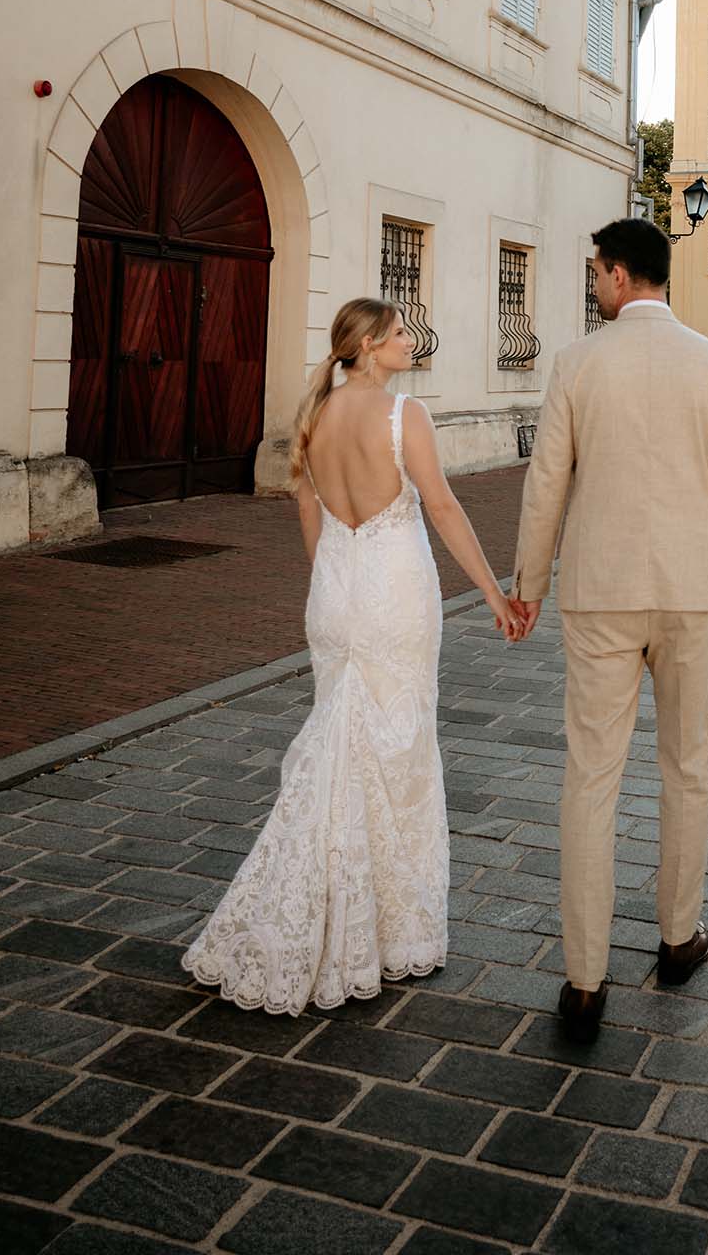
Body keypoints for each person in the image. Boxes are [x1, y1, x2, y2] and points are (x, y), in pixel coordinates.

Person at [183, 297, 520, 1014]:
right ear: (367, 345)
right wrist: (494, 593)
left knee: (344, 745)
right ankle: (386, 930)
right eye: (399, 334)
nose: (410, 342)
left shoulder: (314, 414)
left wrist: (334, 583)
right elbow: (445, 509)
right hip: (395, 594)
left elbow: (308, 514)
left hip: (333, 596)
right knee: (393, 756)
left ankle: (339, 917)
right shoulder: (405, 416)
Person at [511, 218, 708, 1042]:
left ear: (619, 276)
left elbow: (547, 482)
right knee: (688, 765)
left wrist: (529, 585)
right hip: (691, 588)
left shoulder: (577, 362)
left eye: (594, 271)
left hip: (600, 590)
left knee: (590, 775)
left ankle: (584, 981)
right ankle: (678, 937)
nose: (592, 283)